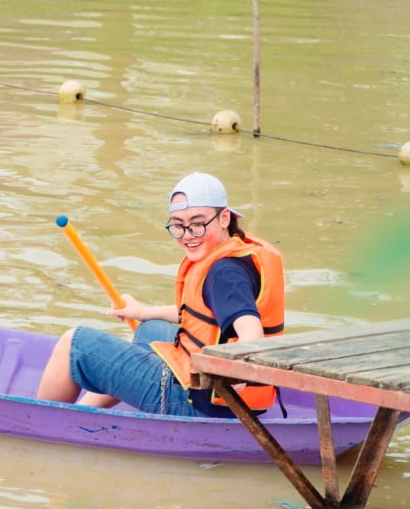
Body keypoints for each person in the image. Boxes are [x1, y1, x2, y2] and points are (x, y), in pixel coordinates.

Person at [35, 172, 285, 417]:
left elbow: (252, 335)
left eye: (198, 224)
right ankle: (84, 412)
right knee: (151, 327)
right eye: (178, 225)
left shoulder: (224, 274)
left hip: (197, 403)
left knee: (74, 343)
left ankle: (39, 424)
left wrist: (235, 375)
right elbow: (203, 313)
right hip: (226, 401)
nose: (187, 235)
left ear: (224, 218)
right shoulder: (236, 251)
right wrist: (143, 312)